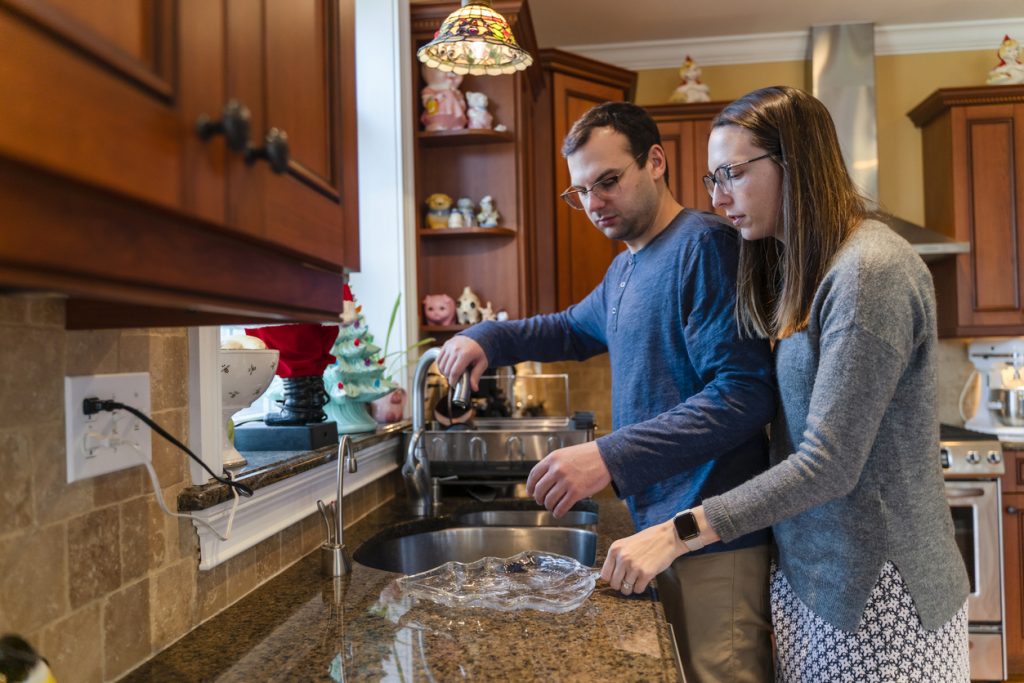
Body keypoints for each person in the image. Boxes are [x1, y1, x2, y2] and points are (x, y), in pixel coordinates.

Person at [601, 86, 970, 682]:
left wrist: (679, 532)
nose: (718, 199)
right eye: (711, 179)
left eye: (732, 174)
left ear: (793, 162)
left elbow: (829, 463)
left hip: (880, 596)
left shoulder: (869, 272)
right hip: (813, 581)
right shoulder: (806, 270)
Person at [437, 102, 776, 683]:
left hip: (713, 542)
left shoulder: (705, 247)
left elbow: (743, 395)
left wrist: (609, 456)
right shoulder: (626, 270)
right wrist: (485, 336)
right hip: (659, 536)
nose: (593, 204)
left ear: (656, 162)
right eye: (581, 192)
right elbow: (568, 327)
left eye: (608, 182)